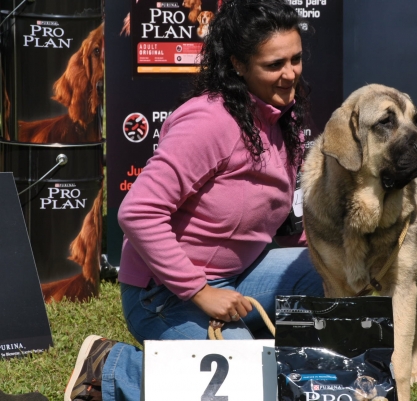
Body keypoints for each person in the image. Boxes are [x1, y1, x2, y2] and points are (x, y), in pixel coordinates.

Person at [64, 1, 324, 400]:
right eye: (275, 64)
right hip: (165, 291)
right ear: (238, 64)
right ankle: (111, 368)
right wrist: (201, 292)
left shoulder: (282, 114)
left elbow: (287, 216)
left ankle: (279, 361)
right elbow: (137, 212)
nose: (290, 74)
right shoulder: (208, 121)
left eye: (296, 59)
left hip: (243, 273)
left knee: (332, 268)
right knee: (247, 389)